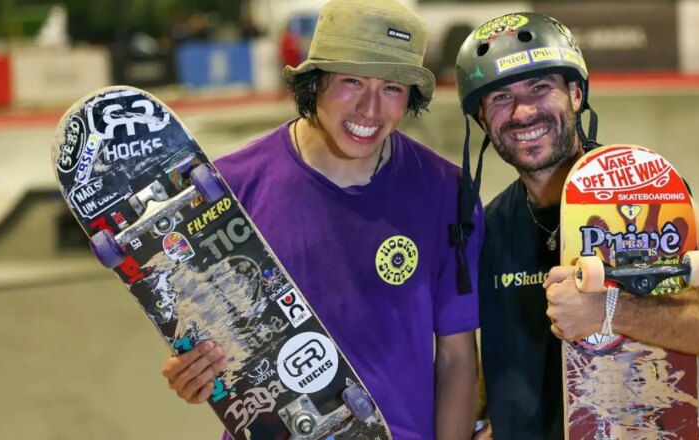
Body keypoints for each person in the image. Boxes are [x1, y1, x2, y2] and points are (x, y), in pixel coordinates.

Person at [160, 1, 481, 439]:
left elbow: (457, 359)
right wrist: (194, 371)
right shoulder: (230, 189)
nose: (370, 109)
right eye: (352, 81)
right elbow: (206, 338)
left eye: (391, 87)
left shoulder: (448, 192)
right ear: (315, 82)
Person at [451, 12, 699, 439]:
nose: (523, 112)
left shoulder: (648, 193)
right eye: (501, 97)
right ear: (482, 118)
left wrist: (609, 312)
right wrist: (485, 422)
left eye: (540, 88)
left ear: (575, 94)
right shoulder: (489, 227)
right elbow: (498, 351)